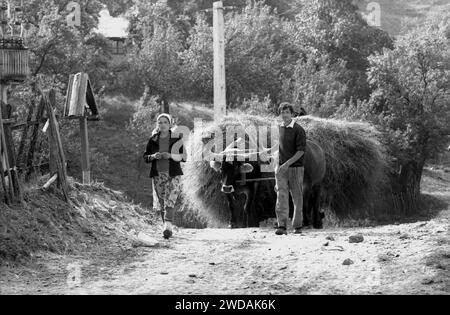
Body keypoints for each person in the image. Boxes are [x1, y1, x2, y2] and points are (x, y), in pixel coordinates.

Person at [143, 113, 187, 239]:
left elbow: (184, 157)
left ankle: (167, 226)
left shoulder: (176, 139)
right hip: (158, 174)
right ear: (157, 125)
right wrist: (153, 156)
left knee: (170, 199)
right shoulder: (153, 139)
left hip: (173, 174)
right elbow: (145, 157)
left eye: (165, 122)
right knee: (162, 201)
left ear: (170, 124)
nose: (162, 124)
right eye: (160, 122)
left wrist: (170, 156)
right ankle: (167, 227)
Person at [274, 102, 307, 235]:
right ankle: (281, 226)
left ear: (292, 114)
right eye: (282, 112)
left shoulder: (299, 130)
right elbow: (280, 146)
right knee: (281, 195)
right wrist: (268, 151)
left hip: (295, 168)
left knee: (297, 197)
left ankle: (297, 226)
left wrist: (287, 164)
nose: (284, 114)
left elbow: (300, 152)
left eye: (287, 112)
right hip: (281, 168)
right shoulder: (280, 127)